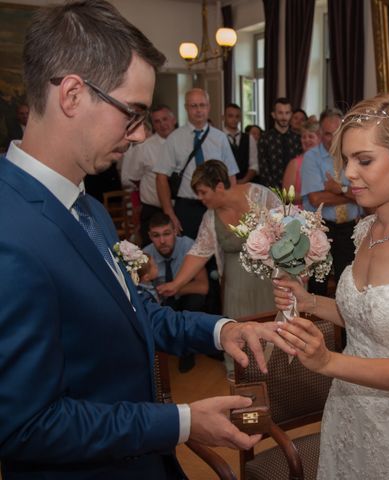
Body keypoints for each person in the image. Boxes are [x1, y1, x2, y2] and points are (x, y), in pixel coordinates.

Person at [0, 2, 294, 479]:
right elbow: (28, 424)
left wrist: (222, 330)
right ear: (72, 95)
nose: (139, 135)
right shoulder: (8, 231)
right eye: (131, 113)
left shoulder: (87, 206)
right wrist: (181, 422)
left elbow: (136, 313)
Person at [273, 93, 389, 479]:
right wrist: (308, 301)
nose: (348, 176)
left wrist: (329, 362)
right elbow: (361, 314)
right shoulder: (365, 230)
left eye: (364, 161)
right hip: (346, 411)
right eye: (346, 160)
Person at [157, 160, 280, 320]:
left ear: (220, 186)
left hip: (271, 282)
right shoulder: (210, 217)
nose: (200, 198)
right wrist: (176, 284)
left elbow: (287, 230)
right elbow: (198, 253)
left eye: (203, 192)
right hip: (236, 289)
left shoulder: (261, 196)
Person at [154, 88, 238, 239]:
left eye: (202, 105)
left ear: (209, 107)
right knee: (188, 252)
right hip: (187, 208)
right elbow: (161, 178)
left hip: (216, 205)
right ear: (186, 108)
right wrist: (169, 213)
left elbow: (231, 176)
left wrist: (231, 208)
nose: (198, 110)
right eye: (193, 106)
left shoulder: (220, 138)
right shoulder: (174, 138)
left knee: (216, 255)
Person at [301, 108, 362, 296]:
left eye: (336, 133)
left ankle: (346, 327)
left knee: (348, 287)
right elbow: (316, 199)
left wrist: (338, 188)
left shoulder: (354, 155)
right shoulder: (312, 157)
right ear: (320, 134)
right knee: (318, 286)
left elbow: (364, 194)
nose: (332, 138)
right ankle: (317, 326)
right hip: (322, 229)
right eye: (327, 134)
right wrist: (350, 193)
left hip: (350, 229)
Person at [144, 212, 209, 372]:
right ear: (149, 236)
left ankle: (188, 351)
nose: (162, 241)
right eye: (156, 236)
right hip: (162, 301)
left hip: (186, 296)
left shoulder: (188, 246)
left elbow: (203, 287)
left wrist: (175, 287)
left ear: (175, 231)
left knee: (196, 300)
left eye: (167, 233)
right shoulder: (145, 255)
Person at [121, 104, 177, 245]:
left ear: (173, 120)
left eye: (165, 119)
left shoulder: (185, 143)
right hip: (153, 210)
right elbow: (132, 178)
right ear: (153, 124)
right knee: (151, 254)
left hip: (180, 208)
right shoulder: (144, 148)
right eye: (157, 121)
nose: (162, 124)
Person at [257, 97, 302, 188]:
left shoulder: (298, 139)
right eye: (280, 113)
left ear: (291, 114)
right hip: (271, 192)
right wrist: (277, 193)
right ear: (273, 115)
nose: (284, 117)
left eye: (287, 113)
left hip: (295, 192)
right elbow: (264, 170)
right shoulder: (265, 139)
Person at [282, 117, 321, 206]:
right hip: (301, 215)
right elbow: (287, 194)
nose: (306, 140)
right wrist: (311, 197)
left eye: (310, 136)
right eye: (304, 137)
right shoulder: (295, 164)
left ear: (319, 139)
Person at [222, 103, 259, 184]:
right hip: (223, 184)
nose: (234, 119)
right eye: (230, 116)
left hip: (245, 183)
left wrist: (244, 180)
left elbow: (254, 165)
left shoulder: (249, 138)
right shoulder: (217, 138)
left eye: (237, 116)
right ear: (223, 117)